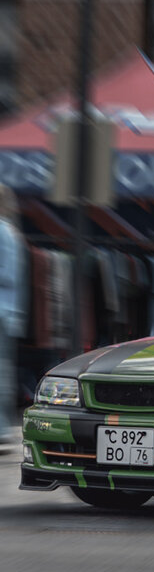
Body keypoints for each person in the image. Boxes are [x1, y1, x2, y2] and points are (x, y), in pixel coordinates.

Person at [0, 185, 27, 453]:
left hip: (1, 311)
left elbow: (6, 273)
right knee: (3, 371)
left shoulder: (2, 231)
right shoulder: (11, 232)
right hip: (8, 312)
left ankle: (2, 429)